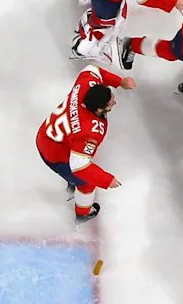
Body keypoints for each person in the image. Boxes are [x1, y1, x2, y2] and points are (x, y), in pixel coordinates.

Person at [35, 64, 136, 222]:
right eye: (110, 103)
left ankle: (71, 183)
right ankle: (82, 215)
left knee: (76, 172)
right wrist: (106, 180)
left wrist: (120, 81)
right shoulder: (90, 131)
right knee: (87, 183)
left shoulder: (86, 84)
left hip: (49, 135)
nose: (114, 103)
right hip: (55, 153)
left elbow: (93, 69)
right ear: (99, 110)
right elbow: (79, 166)